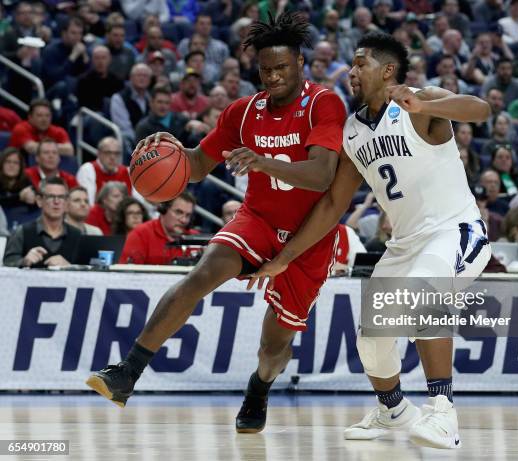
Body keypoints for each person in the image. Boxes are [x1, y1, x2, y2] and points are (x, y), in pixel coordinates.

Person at [86, 12, 346, 437]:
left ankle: (259, 387)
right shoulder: (243, 112)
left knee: (273, 347)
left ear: (301, 63)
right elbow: (195, 166)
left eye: (282, 68)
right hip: (258, 220)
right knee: (202, 273)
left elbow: (321, 174)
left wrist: (260, 160)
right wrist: (166, 151)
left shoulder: (323, 103)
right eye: (265, 70)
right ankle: (126, 373)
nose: (273, 76)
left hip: (310, 237)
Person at [248, 32, 492, 449]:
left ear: (388, 70)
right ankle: (394, 410)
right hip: (404, 244)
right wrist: (285, 258)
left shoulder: (420, 101)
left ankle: (443, 414)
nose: (352, 71)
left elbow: (481, 109)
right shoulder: (352, 131)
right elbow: (332, 206)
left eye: (360, 63)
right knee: (372, 335)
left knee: (424, 292)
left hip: (454, 230)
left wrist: (427, 105)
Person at [3, 177, 81, 267]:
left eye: (61, 197)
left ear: (67, 202)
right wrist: (24, 261)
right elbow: (7, 263)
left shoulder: (76, 235)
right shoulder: (23, 231)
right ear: (39, 201)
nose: (56, 201)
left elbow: (85, 269)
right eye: (51, 196)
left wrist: (69, 267)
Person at [119, 192, 197, 263]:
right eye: (178, 212)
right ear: (163, 210)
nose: (184, 220)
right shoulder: (140, 235)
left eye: (188, 215)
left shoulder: (197, 239)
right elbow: (126, 274)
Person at [76, 137, 131, 205]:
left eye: (116, 153)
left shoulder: (128, 172)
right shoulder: (88, 169)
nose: (112, 157)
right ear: (99, 153)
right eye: (108, 152)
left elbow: (140, 203)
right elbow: (89, 203)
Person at [9, 99, 74, 156]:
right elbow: (31, 148)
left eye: (47, 115)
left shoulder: (58, 131)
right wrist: (56, 148)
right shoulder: (21, 128)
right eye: (39, 115)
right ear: (30, 117)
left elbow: (70, 150)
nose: (44, 119)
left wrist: (42, 147)